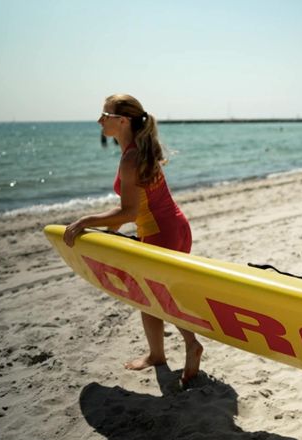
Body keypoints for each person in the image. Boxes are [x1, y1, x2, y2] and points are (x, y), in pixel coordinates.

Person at [64, 94, 203, 385]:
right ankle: (157, 355)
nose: (100, 120)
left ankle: (190, 344)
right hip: (174, 227)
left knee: (157, 295)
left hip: (160, 233)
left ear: (122, 120)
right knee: (150, 296)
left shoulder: (131, 158)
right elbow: (140, 204)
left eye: (105, 115)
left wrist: (86, 220)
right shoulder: (138, 150)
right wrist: (112, 232)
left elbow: (129, 211)